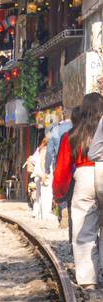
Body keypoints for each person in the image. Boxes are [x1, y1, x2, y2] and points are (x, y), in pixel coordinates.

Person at [55, 93, 103, 284]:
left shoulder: (72, 135)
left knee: (84, 232)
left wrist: (59, 193)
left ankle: (88, 280)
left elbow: (62, 169)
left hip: (84, 178)